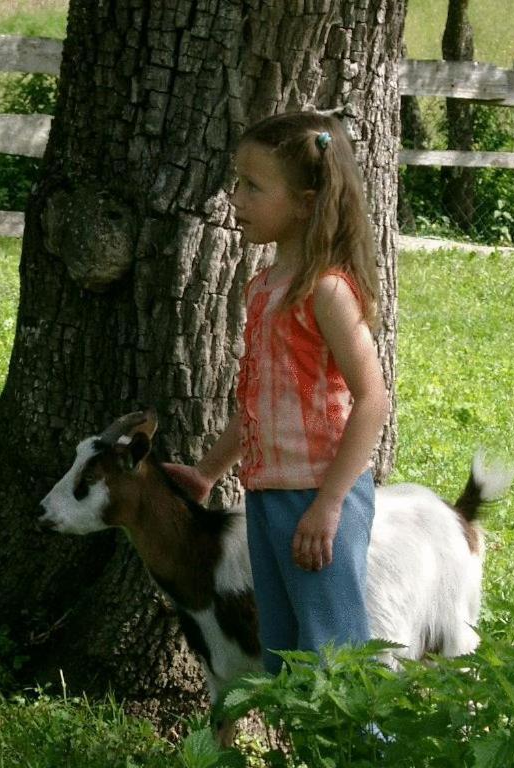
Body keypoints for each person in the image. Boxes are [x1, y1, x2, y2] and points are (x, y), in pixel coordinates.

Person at [167, 112, 388, 674]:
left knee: (331, 654)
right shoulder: (265, 287)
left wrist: (331, 504)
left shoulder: (328, 291)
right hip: (267, 497)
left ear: (305, 203)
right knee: (283, 652)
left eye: (253, 186)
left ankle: (358, 752)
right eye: (237, 181)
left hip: (318, 495)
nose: (235, 198)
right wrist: (208, 472)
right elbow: (262, 406)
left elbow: (373, 400)